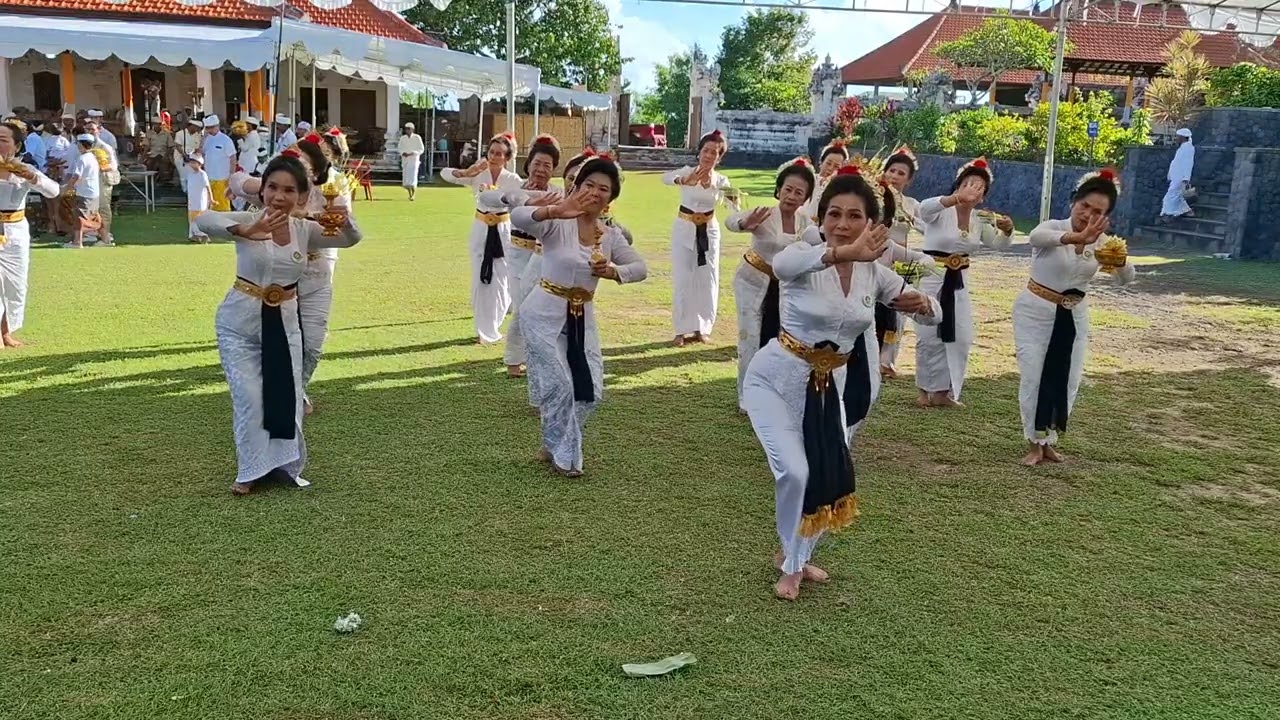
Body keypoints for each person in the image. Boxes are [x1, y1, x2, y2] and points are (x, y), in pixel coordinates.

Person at [742, 166, 939, 602]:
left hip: (830, 389)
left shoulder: (875, 273)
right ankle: (793, 563)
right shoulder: (805, 255)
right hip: (774, 381)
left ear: (872, 223)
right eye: (834, 214)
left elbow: (928, 301)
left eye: (854, 216)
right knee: (795, 471)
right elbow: (781, 264)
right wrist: (841, 253)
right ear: (822, 218)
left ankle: (792, 559)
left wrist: (925, 304)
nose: (842, 224)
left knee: (827, 472)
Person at [193, 155, 362, 495]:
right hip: (238, 324)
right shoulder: (249, 219)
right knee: (251, 399)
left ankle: (282, 464)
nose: (279, 196)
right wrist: (245, 230)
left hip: (285, 325)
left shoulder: (305, 230)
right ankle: (251, 469)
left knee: (285, 396)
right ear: (263, 190)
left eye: (289, 190)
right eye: (272, 187)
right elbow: (205, 220)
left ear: (302, 195)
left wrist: (345, 219)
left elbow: (349, 239)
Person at [510, 155, 648, 478]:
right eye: (589, 184)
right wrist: (555, 210)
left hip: (581, 317)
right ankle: (567, 458)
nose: (595, 192)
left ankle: (552, 440)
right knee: (559, 383)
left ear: (610, 198)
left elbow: (640, 268)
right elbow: (517, 216)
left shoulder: (610, 236)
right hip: (542, 312)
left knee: (591, 390)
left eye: (604, 188)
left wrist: (614, 271)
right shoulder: (558, 222)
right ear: (575, 186)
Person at [1017, 168, 1135, 466]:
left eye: (1098, 212)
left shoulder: (1105, 242)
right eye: (1085, 206)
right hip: (1035, 312)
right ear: (1074, 201)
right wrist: (1075, 237)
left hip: (1073, 316)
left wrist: (1120, 262)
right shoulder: (1053, 227)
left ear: (1106, 217)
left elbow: (1127, 279)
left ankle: (1049, 441)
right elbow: (1035, 237)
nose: (1088, 215)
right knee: (1034, 376)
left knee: (1068, 378)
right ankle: (1034, 441)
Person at [915, 157, 1014, 408]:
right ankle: (924, 391)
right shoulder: (940, 209)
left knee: (960, 335)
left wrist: (1008, 230)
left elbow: (998, 244)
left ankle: (944, 392)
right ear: (958, 185)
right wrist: (955, 200)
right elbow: (924, 210)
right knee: (929, 334)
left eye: (980, 187)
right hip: (933, 276)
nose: (973, 189)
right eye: (969, 183)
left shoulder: (979, 219)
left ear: (982, 197)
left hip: (959, 281)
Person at [726, 156, 815, 413]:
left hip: (785, 288)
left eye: (799, 192)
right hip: (752, 282)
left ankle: (774, 390)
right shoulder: (765, 213)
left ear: (805, 198)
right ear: (779, 189)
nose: (791, 195)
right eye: (788, 189)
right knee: (750, 337)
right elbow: (732, 222)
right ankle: (747, 396)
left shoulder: (804, 223)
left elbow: (817, 242)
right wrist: (745, 224)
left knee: (779, 339)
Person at [440, 133, 523, 345]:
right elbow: (445, 174)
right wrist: (466, 171)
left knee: (501, 279)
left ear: (507, 157)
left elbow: (523, 201)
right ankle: (481, 330)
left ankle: (493, 324)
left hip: (503, 231)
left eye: (499, 154)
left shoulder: (512, 180)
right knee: (480, 279)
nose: (494, 157)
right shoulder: (478, 173)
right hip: (481, 229)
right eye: (491, 152)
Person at [662, 129, 739, 347]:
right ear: (700, 152)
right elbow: (665, 178)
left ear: (719, 157)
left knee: (708, 279)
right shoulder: (687, 172)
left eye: (714, 152)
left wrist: (713, 186)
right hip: (684, 228)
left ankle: (702, 328)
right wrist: (684, 180)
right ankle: (680, 330)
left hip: (709, 230)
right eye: (706, 150)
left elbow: (734, 203)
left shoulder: (722, 180)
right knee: (683, 278)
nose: (709, 155)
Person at [499, 134, 561, 377]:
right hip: (518, 255)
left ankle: (539, 357)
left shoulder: (558, 193)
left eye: (547, 165)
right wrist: (533, 200)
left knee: (542, 309)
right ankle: (514, 360)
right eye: (537, 164)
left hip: (545, 256)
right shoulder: (515, 191)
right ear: (528, 165)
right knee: (522, 307)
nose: (541, 169)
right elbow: (494, 199)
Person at [0, 120, 60, 347]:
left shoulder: (24, 169)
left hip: (15, 230)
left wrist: (30, 176)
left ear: (16, 146)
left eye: (3, 141)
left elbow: (53, 191)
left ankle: (7, 332)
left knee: (15, 284)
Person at [877, 146, 923, 378]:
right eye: (891, 170)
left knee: (898, 312)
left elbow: (925, 227)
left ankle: (887, 360)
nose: (894, 176)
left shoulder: (913, 204)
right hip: (878, 258)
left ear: (909, 179)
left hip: (901, 263)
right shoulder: (874, 196)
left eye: (901, 173)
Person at [60, 131, 101, 250]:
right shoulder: (92, 157)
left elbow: (76, 176)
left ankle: (78, 241)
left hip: (84, 192)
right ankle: (92, 235)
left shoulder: (82, 158)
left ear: (81, 145)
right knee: (90, 215)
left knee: (80, 217)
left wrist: (68, 188)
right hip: (93, 191)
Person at [84, 120, 119, 247]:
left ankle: (106, 236)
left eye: (92, 129)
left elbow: (114, 165)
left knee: (103, 207)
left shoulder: (104, 147)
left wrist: (100, 166)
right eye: (87, 129)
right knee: (91, 207)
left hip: (103, 179)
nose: (89, 132)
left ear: (98, 130)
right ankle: (92, 233)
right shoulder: (84, 146)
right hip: (89, 181)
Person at [801, 139, 848, 222]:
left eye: (836, 166)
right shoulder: (808, 179)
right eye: (828, 163)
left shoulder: (840, 189)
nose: (830, 169)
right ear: (821, 162)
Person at [1160, 128, 1195, 222]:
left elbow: (1188, 164)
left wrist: (1186, 178)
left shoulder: (1188, 148)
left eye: (1178, 136)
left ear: (1183, 137)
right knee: (1176, 195)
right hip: (1176, 176)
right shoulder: (1183, 147)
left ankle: (1167, 214)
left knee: (1170, 195)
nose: (1176, 138)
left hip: (1180, 178)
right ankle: (1188, 211)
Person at [201, 115, 235, 212]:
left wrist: (231, 175)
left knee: (223, 205)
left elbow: (232, 158)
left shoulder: (226, 140)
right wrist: (203, 139)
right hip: (208, 177)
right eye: (207, 128)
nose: (209, 130)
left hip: (222, 178)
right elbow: (200, 153)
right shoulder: (206, 139)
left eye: (211, 128)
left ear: (217, 126)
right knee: (208, 204)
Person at [185, 153, 212, 243]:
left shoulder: (202, 174)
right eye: (191, 162)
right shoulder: (190, 174)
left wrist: (211, 199)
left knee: (199, 217)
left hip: (200, 200)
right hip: (192, 200)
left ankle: (202, 234)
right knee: (191, 217)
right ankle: (193, 235)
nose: (192, 164)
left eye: (194, 162)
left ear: (199, 164)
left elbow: (208, 187)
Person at [398, 122, 425, 200]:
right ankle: (410, 194)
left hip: (414, 160)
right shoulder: (403, 138)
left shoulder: (417, 137)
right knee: (406, 179)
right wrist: (403, 153)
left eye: (409, 129)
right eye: (406, 129)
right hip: (405, 160)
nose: (407, 130)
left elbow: (421, 149)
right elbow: (400, 148)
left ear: (412, 129)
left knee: (413, 177)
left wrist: (413, 153)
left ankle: (413, 194)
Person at [173, 118, 202, 190]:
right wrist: (184, 155)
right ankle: (185, 192)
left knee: (192, 176)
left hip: (192, 158)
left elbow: (197, 148)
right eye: (196, 127)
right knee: (183, 177)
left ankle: (191, 192)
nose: (197, 129)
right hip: (181, 158)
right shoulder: (180, 134)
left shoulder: (197, 135)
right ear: (191, 126)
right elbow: (178, 146)